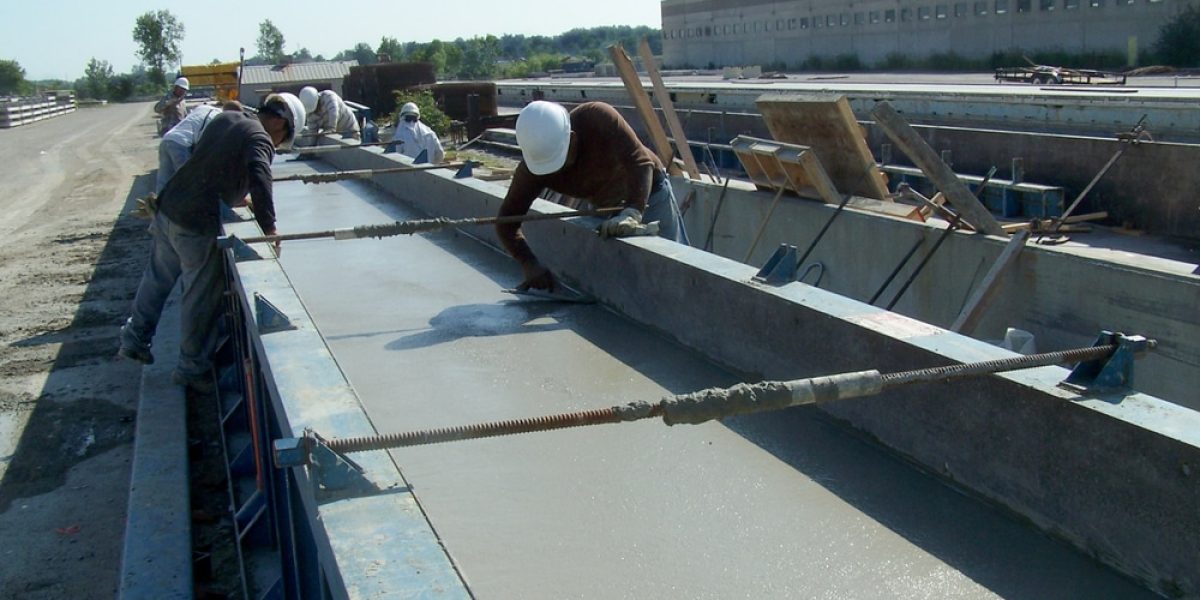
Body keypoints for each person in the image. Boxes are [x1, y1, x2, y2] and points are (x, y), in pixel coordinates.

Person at [117, 93, 306, 393]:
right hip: (195, 223)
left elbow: (210, 162)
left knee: (158, 277)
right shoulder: (261, 138)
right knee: (200, 294)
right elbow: (260, 175)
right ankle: (192, 369)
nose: (278, 142)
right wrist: (269, 229)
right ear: (281, 122)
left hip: (168, 208)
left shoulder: (228, 119)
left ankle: (134, 339)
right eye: (284, 137)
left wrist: (233, 195)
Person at [496, 101, 690, 291]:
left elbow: (640, 162)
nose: (559, 170)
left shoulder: (597, 118)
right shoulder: (535, 168)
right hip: (603, 205)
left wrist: (632, 213)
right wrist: (529, 264)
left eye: (560, 161)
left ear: (571, 138)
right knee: (620, 280)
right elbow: (506, 221)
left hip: (648, 195)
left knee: (671, 269)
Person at [155, 101, 242, 194]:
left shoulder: (204, 108)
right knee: (189, 183)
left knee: (164, 180)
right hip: (181, 144)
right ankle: (189, 207)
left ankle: (158, 205)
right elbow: (205, 146)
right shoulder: (219, 119)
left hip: (167, 139)